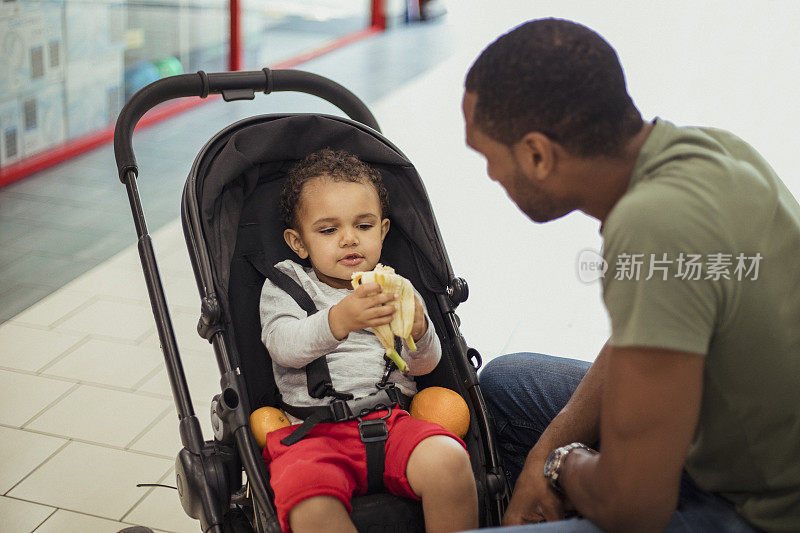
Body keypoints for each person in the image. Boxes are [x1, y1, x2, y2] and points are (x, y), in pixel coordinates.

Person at [462, 18, 800, 532]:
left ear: (536, 154)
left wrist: (560, 466)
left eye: (489, 157)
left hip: (763, 513)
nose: (490, 176)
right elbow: (639, 339)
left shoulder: (653, 224)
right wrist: (545, 450)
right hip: (737, 445)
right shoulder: (711, 151)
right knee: (506, 387)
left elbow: (633, 508)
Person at [259, 148, 478, 533]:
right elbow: (282, 345)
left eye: (363, 226)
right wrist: (337, 320)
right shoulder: (287, 283)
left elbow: (424, 366)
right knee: (308, 502)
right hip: (314, 432)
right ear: (299, 242)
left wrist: (419, 331)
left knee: (451, 462)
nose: (348, 240)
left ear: (383, 230)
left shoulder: (396, 286)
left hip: (393, 420)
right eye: (328, 230)